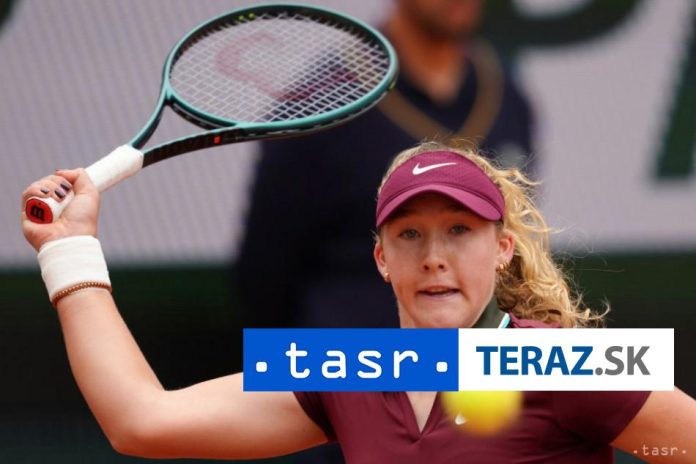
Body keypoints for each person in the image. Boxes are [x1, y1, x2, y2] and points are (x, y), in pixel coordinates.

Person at [21, 142, 696, 462]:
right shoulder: (347, 366)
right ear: (381, 259)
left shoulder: (574, 363)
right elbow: (142, 421)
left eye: (460, 231)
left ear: (502, 249)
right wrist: (69, 249)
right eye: (410, 234)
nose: (434, 256)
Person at [236, 0, 534, 332]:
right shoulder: (318, 106)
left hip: (471, 358)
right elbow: (265, 273)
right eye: (408, 233)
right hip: (346, 353)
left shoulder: (508, 99)